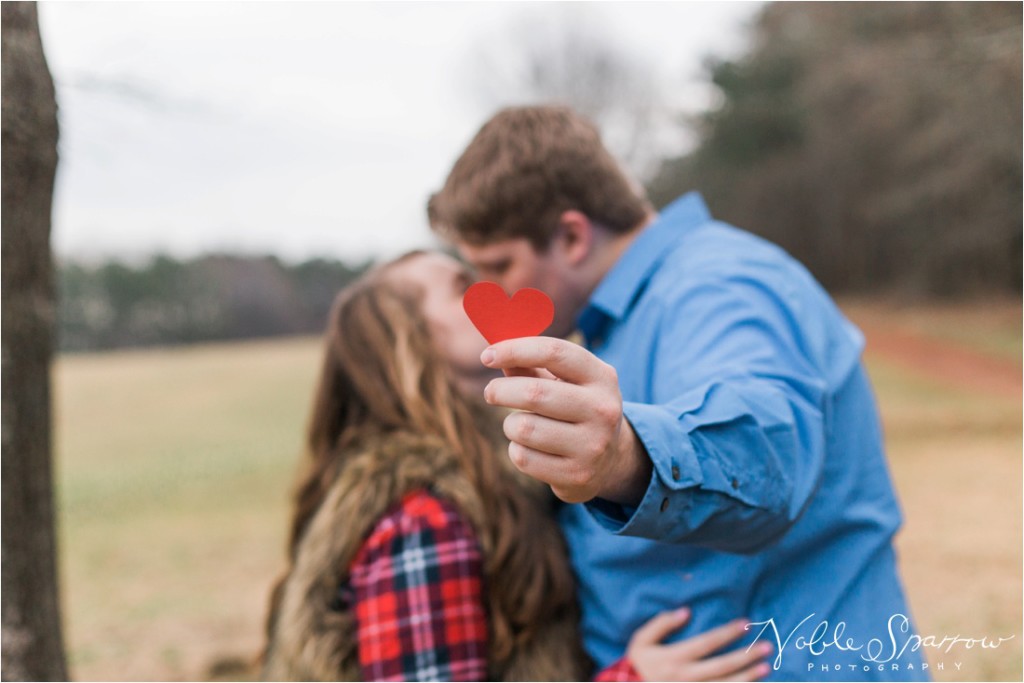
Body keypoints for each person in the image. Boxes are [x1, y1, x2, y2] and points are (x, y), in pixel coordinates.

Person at [427, 106, 929, 681]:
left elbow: (766, 442)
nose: (495, 289)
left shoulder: (717, 285)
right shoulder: (619, 319)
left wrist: (625, 456)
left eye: (500, 264)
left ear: (571, 235)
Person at [261, 251, 772, 682]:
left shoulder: (502, 475)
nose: (489, 289)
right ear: (407, 341)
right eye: (460, 286)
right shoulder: (423, 521)